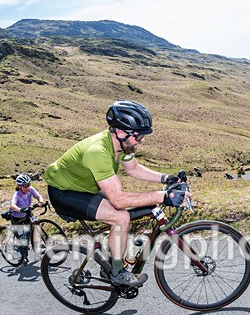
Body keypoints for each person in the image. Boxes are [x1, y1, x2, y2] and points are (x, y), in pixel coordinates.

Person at [43, 99, 187, 287]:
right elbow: (118, 200)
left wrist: (165, 178)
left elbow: (133, 168)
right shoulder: (97, 152)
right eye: (138, 136)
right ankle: (117, 273)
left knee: (125, 215)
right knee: (121, 218)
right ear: (120, 132)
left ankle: (110, 262)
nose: (141, 140)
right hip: (64, 193)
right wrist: (162, 196)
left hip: (84, 189)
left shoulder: (121, 144)